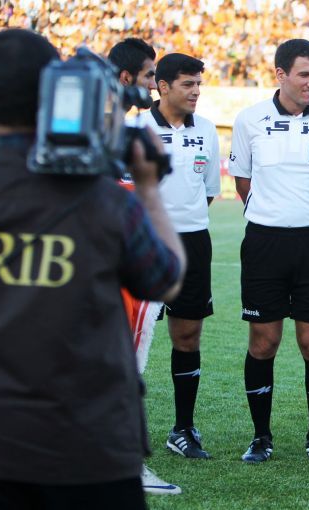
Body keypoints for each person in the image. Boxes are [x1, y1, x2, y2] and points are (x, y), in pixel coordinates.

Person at [0, 29, 185, 509]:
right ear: (54, 87)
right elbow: (166, 278)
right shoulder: (104, 199)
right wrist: (147, 186)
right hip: (89, 448)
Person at [228, 38, 309, 464]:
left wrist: (308, 210)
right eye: (304, 74)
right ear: (280, 74)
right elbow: (242, 180)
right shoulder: (250, 119)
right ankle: (261, 437)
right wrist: (272, 211)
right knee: (263, 342)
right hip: (264, 243)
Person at [109, 38, 182, 496]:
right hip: (120, 262)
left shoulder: (103, 124)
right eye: (149, 75)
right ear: (126, 78)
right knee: (126, 364)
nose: (155, 85)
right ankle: (126, 464)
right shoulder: (111, 129)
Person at [142, 53, 221, 460]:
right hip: (143, 244)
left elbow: (208, 190)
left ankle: (183, 428)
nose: (196, 92)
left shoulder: (206, 129)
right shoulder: (135, 128)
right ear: (163, 86)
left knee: (187, 336)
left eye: (199, 84)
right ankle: (116, 427)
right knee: (130, 339)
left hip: (192, 243)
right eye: (188, 84)